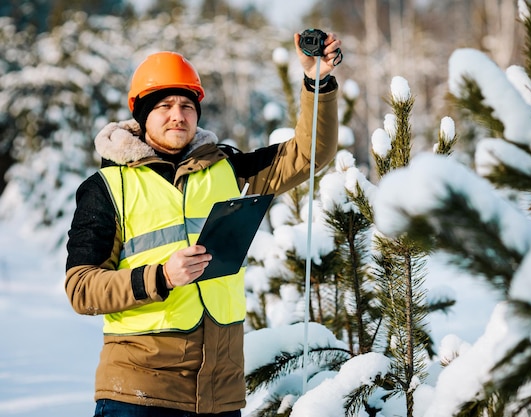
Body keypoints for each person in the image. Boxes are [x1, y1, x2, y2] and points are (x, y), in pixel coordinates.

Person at [65, 31, 342, 417]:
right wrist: (160, 276)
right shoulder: (107, 188)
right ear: (142, 115)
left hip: (219, 394)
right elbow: (80, 288)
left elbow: (310, 153)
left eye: (187, 105)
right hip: (138, 393)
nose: (178, 114)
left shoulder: (228, 168)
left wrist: (318, 81)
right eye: (164, 105)